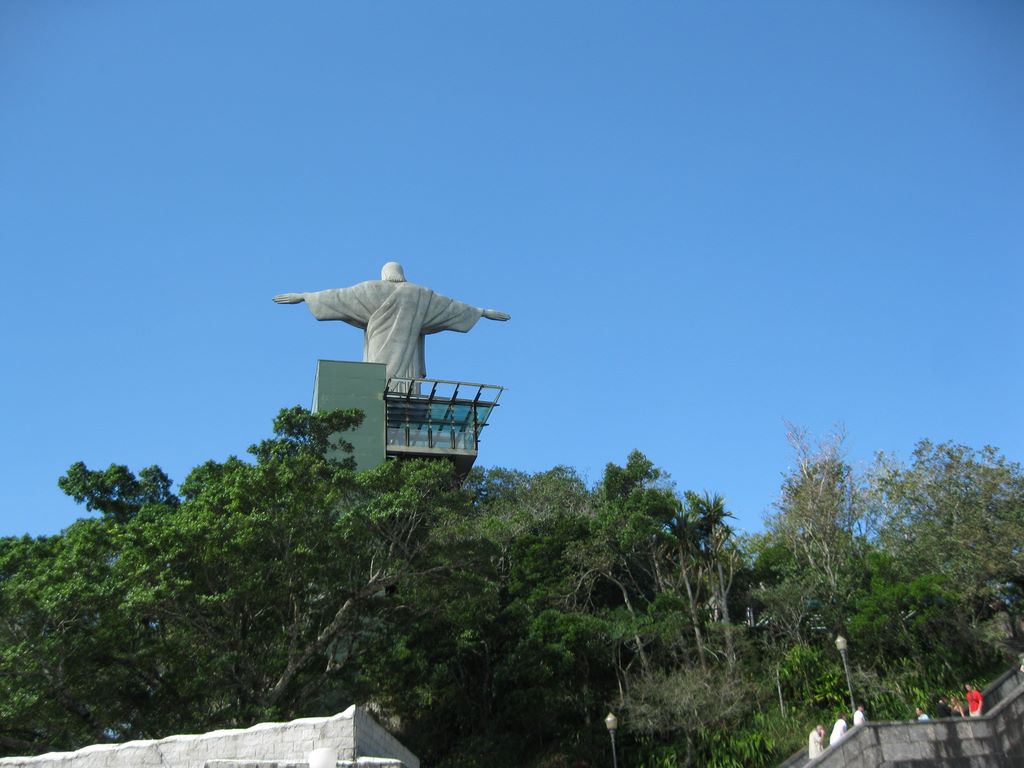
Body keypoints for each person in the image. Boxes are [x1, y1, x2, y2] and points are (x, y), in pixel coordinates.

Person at [274, 262, 511, 381]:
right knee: (406, 395)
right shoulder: (420, 295)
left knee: (378, 392)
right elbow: (451, 307)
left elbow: (338, 297)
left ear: (384, 275)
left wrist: (305, 296)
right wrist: (481, 312)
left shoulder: (370, 290)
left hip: (378, 355)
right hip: (409, 362)